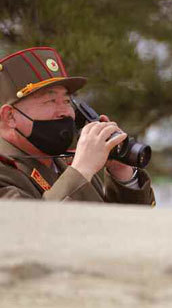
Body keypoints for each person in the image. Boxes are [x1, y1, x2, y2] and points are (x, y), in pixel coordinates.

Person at [0, 47, 155, 205]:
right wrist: (81, 170)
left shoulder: (67, 163)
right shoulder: (78, 168)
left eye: (67, 101)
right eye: (50, 101)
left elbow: (125, 225)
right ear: (10, 116)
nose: (65, 112)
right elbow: (31, 226)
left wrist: (122, 173)